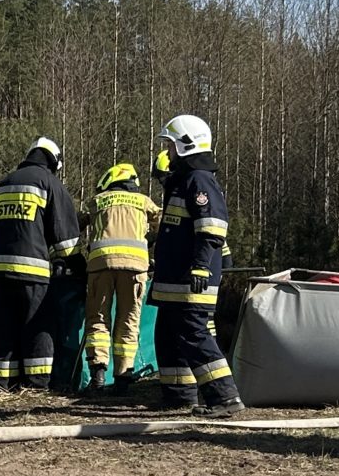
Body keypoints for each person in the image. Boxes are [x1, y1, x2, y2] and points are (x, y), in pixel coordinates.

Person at [149, 113, 245, 413]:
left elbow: (212, 227)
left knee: (194, 334)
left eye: (171, 146)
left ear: (186, 145)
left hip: (191, 279)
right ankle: (178, 395)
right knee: (167, 336)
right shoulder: (183, 181)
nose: (167, 152)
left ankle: (225, 398)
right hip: (173, 280)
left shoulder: (200, 180)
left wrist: (201, 265)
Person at [0, 137, 82, 390]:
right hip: (32, 271)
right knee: (38, 325)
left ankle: (2, 382)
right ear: (54, 161)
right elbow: (66, 241)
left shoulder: (6, 182)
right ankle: (36, 384)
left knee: (5, 326)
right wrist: (80, 269)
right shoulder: (49, 183)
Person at [81, 161, 158, 390]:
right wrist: (148, 242)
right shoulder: (144, 201)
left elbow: (73, 224)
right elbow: (165, 224)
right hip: (135, 269)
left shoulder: (97, 201)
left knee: (98, 319)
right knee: (129, 320)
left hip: (100, 266)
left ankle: (98, 374)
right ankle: (123, 376)